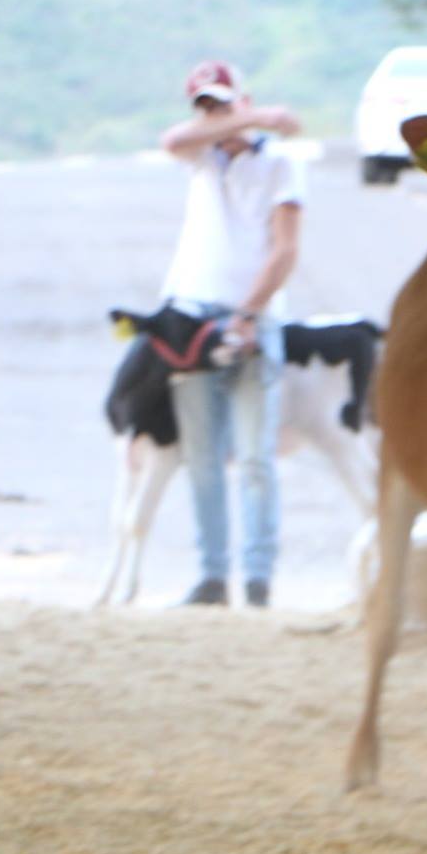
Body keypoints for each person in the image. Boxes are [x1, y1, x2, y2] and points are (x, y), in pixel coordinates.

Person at [155, 60, 304, 609]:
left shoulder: (280, 165)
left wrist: (248, 313)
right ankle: (212, 574)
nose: (216, 116)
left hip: (253, 319)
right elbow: (173, 139)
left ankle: (258, 577)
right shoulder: (201, 157)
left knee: (255, 457)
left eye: (224, 103)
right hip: (193, 317)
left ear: (242, 97)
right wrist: (254, 116)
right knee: (203, 458)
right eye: (208, 108)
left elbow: (285, 249)